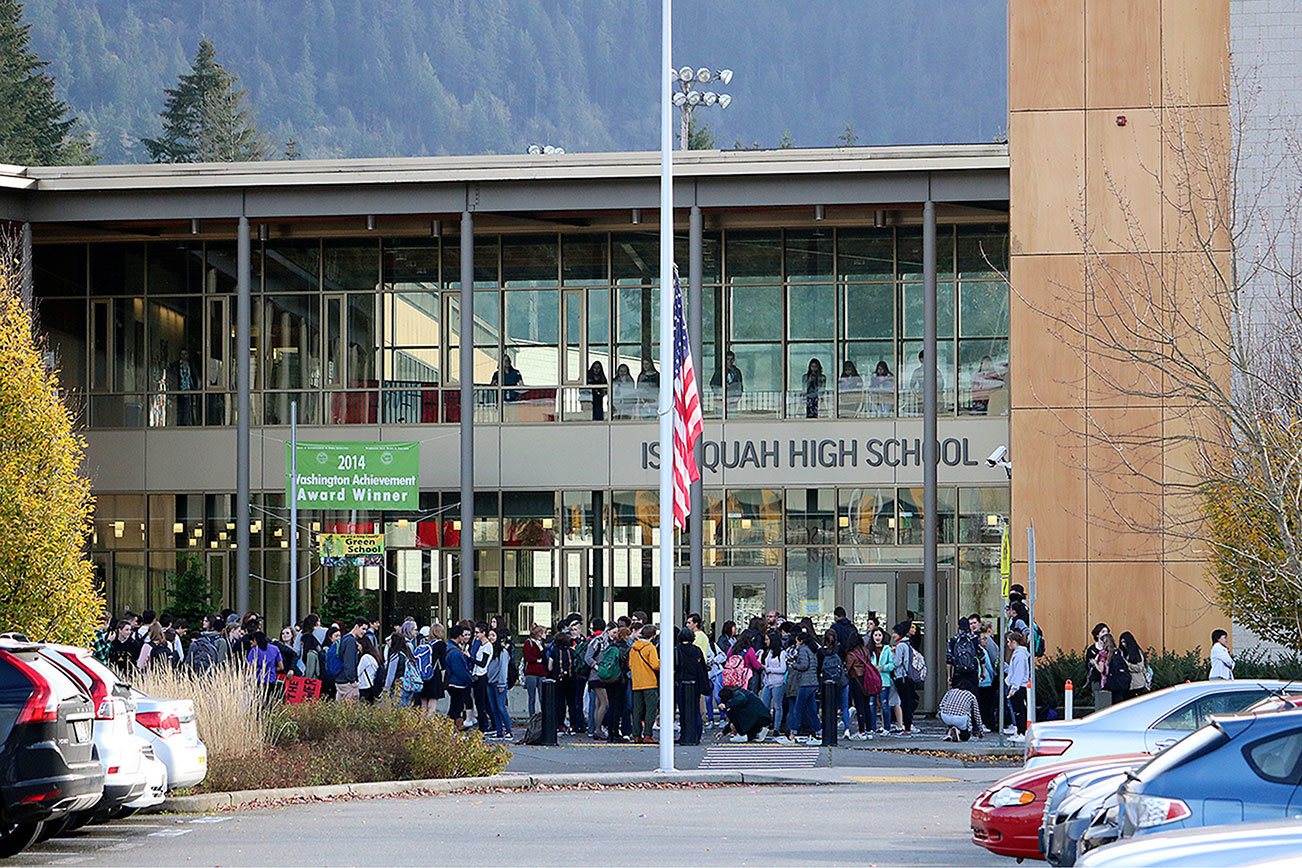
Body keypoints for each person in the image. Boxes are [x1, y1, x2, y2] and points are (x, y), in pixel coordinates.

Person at [674, 628, 708, 744]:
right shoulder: (697, 651)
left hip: (681, 684)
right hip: (695, 684)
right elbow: (702, 669)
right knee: (695, 710)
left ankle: (684, 736)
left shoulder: (677, 650)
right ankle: (696, 736)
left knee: (683, 711)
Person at [629, 625, 661, 744]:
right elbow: (655, 665)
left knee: (637, 710)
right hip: (649, 682)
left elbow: (630, 665)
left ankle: (636, 735)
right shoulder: (650, 647)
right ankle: (648, 734)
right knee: (650, 709)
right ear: (652, 636)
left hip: (636, 682)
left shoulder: (633, 648)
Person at [788, 630, 821, 743]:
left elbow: (804, 665)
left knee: (798, 709)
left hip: (805, 683)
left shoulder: (802, 649)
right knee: (812, 710)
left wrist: (794, 665)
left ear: (800, 641)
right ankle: (818, 731)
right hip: (813, 682)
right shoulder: (812, 649)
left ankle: (793, 733)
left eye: (797, 641)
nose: (796, 643)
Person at [821, 629, 852, 740]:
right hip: (842, 681)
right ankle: (847, 729)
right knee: (844, 706)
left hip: (828, 683)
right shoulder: (840, 649)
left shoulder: (822, 651)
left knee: (829, 707)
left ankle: (830, 730)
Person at [759, 630, 789, 743]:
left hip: (778, 682)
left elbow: (783, 669)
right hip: (767, 682)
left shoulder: (781, 653)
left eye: (767, 639)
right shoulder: (768, 652)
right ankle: (765, 726)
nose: (766, 641)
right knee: (764, 705)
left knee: (777, 705)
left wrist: (769, 669)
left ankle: (776, 728)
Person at [845, 631, 875, 740]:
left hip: (856, 679)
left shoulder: (851, 654)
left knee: (859, 705)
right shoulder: (866, 650)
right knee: (866, 704)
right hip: (866, 679)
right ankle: (869, 729)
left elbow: (848, 668)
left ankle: (861, 731)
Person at [892, 621, 920, 736]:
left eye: (895, 633)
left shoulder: (900, 646)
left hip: (902, 677)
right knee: (907, 701)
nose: (893, 635)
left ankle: (906, 726)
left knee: (904, 702)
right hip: (908, 677)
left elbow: (897, 663)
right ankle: (908, 726)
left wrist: (892, 655)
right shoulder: (908, 644)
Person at [445, 625, 475, 727]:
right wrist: (470, 680)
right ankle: (451, 729)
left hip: (451, 682)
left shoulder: (448, 647)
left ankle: (453, 728)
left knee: (455, 707)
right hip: (457, 684)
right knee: (456, 708)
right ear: (459, 636)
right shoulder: (455, 652)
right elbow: (460, 671)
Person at [485, 629, 513, 740]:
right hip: (490, 682)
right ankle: (499, 731)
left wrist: (502, 683)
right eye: (489, 635)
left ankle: (509, 730)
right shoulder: (488, 650)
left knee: (501, 707)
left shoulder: (502, 652)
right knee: (493, 708)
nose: (491, 637)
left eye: (493, 635)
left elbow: (503, 669)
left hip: (499, 683)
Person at [868, 626, 894, 736]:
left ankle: (886, 727)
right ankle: (872, 727)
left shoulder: (887, 649)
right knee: (871, 704)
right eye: (875, 635)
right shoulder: (869, 649)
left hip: (884, 679)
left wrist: (883, 667)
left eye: (879, 635)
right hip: (872, 680)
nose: (877, 637)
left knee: (884, 704)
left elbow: (892, 665)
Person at [946, 616, 981, 694]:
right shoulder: (974, 639)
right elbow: (981, 656)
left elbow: (949, 660)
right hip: (972, 673)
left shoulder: (953, 640)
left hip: (958, 673)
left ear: (958, 626)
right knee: (972, 695)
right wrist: (982, 673)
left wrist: (949, 676)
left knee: (958, 695)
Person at [1006, 630, 1031, 738]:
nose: (1007, 644)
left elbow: (1018, 673)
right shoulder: (1020, 654)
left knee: (1019, 710)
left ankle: (1021, 732)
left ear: (1013, 641)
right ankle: (1020, 731)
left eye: (1008, 642)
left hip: (1019, 686)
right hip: (1019, 685)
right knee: (1019, 709)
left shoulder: (1019, 655)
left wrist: (1014, 688)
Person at [471, 623, 495, 733]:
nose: (475, 635)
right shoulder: (481, 645)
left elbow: (483, 663)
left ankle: (483, 727)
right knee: (482, 702)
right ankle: (488, 724)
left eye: (477, 632)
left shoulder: (487, 646)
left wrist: (470, 658)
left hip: (481, 676)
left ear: (483, 633)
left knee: (481, 703)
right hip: (477, 675)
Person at [334, 618, 366, 702]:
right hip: (347, 682)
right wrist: (353, 681)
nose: (364, 632)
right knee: (352, 710)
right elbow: (349, 663)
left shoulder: (345, 638)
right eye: (363, 628)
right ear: (356, 626)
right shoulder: (351, 641)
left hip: (340, 679)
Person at [419, 624, 447, 713]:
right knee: (432, 704)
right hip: (435, 675)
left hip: (424, 674)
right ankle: (429, 725)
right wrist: (442, 680)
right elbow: (442, 664)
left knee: (423, 705)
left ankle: (422, 724)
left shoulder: (426, 644)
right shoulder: (441, 644)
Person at [1085, 623, 1113, 709]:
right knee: (1098, 698)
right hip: (1096, 678)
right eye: (1103, 631)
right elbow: (1087, 663)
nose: (1105, 633)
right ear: (1097, 634)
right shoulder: (1092, 649)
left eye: (1107, 631)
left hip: (1109, 678)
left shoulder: (1110, 648)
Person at [523, 624, 548, 717]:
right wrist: (537, 660)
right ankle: (532, 717)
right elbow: (528, 657)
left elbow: (544, 655)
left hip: (541, 673)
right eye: (543, 633)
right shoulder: (528, 643)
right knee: (532, 697)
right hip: (531, 673)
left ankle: (544, 717)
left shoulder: (541, 644)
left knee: (543, 697)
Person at [1116, 631, 1148, 700]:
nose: (1123, 644)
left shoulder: (1136, 652)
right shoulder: (1123, 653)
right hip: (1127, 685)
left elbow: (1139, 668)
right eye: (1121, 642)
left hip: (1137, 684)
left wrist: (1127, 664)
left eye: (1124, 642)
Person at [356, 636, 381, 703]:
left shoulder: (365, 657)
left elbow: (358, 672)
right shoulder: (372, 656)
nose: (357, 647)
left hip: (365, 686)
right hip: (372, 685)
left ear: (363, 645)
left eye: (358, 645)